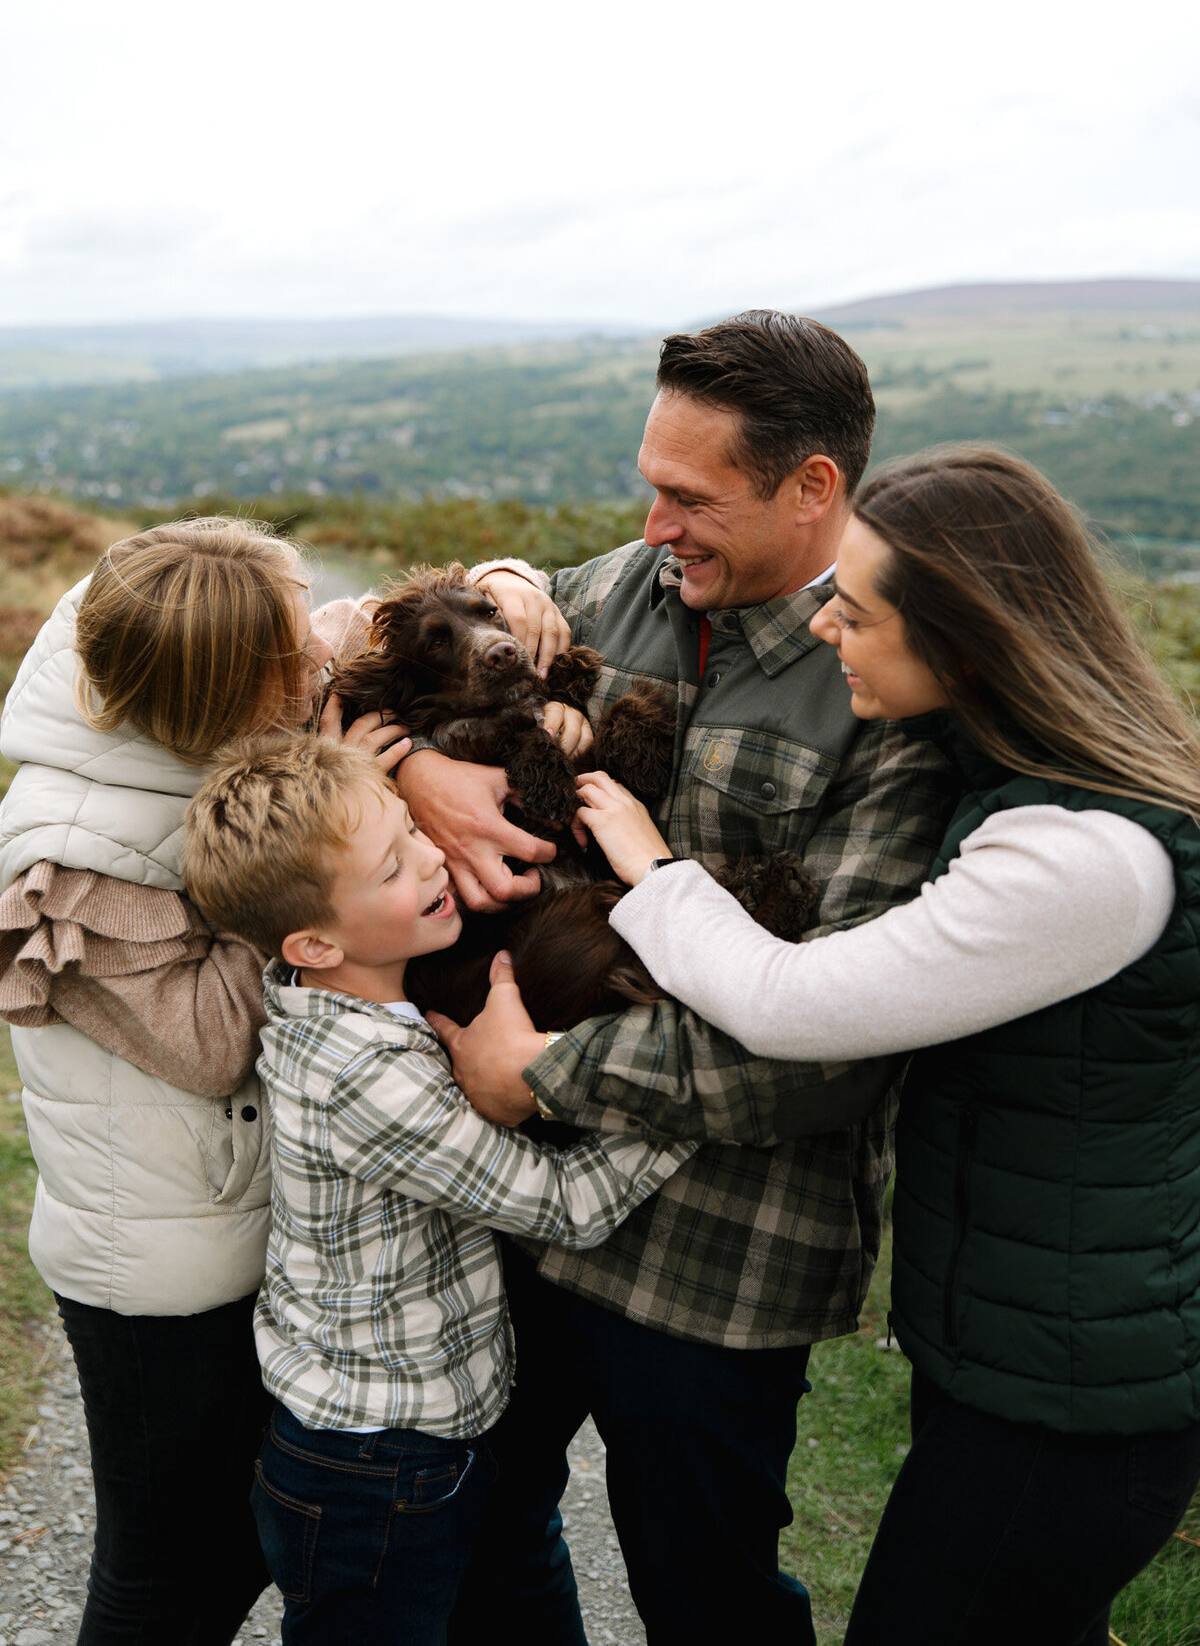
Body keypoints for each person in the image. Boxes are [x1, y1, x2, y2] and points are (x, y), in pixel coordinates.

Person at [560, 447, 1200, 1646]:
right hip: (1031, 1364)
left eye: (851, 613)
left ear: (963, 646)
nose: (824, 633)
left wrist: (650, 866)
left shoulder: (1075, 858)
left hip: (1070, 1409)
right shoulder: (1031, 779)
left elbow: (791, 1008)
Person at [398, 310, 957, 1643]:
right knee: (481, 1538)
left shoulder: (891, 691)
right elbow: (376, 675)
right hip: (510, 1216)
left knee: (702, 1590)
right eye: (650, 480)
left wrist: (537, 1073)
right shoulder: (610, 592)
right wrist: (410, 757)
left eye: (691, 494)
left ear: (812, 486)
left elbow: (831, 1044)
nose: (655, 522)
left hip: (720, 1252)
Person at [180, 731, 693, 1646]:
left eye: (413, 832)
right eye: (391, 868)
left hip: (395, 1445)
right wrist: (686, 1103)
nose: (429, 861)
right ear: (315, 939)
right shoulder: (368, 1078)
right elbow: (567, 1205)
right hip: (376, 1469)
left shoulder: (330, 999)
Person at [0, 519, 407, 1646]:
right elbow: (213, 1039)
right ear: (223, 694)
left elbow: (344, 631)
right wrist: (328, 850)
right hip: (160, 1282)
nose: (318, 664)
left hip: (225, 1227)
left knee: (231, 1547)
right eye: (291, 661)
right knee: (167, 1575)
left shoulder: (175, 716)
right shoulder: (76, 849)